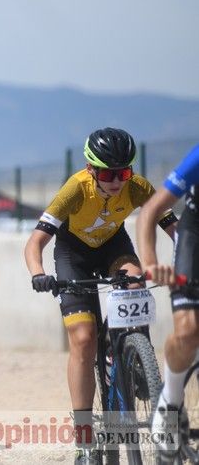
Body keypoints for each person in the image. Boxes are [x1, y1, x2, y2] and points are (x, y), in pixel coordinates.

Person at [24, 127, 177, 463]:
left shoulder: (138, 187)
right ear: (91, 169)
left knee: (136, 283)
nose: (117, 181)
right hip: (72, 255)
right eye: (108, 173)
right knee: (82, 338)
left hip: (114, 247)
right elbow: (35, 242)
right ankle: (84, 438)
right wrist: (38, 274)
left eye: (123, 172)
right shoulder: (76, 189)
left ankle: (134, 350)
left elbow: (172, 227)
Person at [137, 144, 199, 462]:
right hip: (195, 237)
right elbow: (150, 212)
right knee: (188, 332)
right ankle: (170, 400)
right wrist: (150, 263)